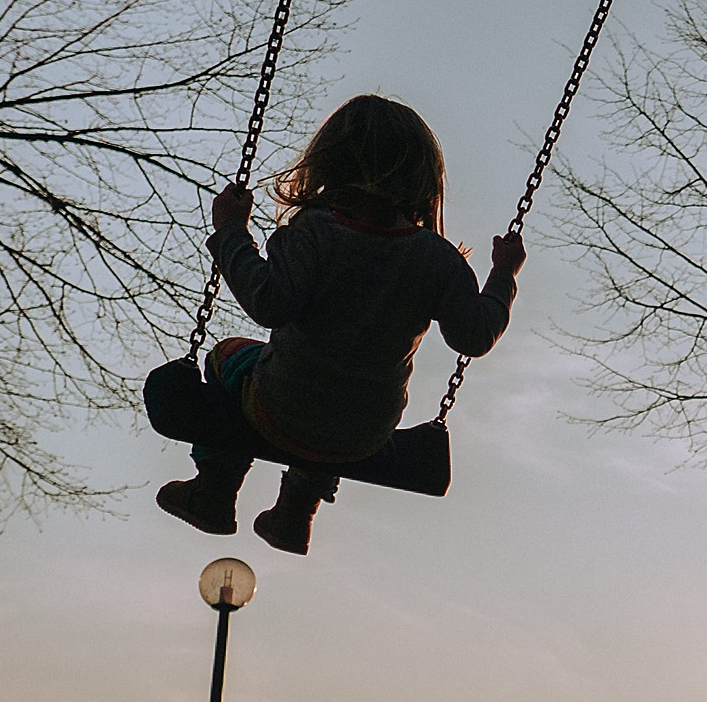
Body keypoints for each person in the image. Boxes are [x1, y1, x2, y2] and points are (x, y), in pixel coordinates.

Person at [157, 94, 525, 553]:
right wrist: (503, 275)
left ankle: (214, 489)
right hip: (365, 434)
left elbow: (268, 302)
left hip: (278, 409)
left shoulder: (313, 232)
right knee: (346, 392)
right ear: (422, 180)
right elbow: (473, 336)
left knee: (228, 356)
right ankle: (295, 513)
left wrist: (232, 231)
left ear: (328, 164)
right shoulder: (437, 260)